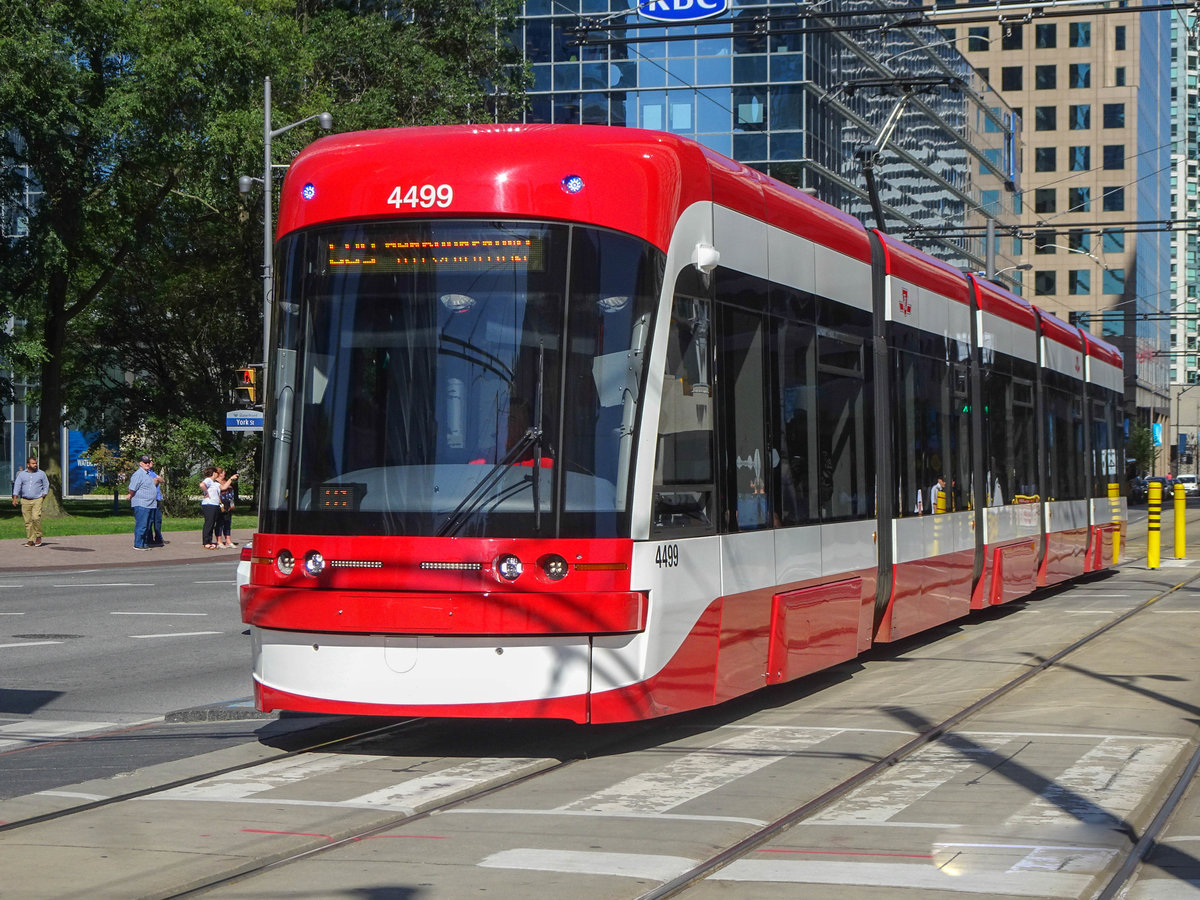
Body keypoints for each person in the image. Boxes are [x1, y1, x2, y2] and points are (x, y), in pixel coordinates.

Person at [11, 457, 50, 547]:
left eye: (35, 463)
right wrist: (15, 498)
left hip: (37, 499)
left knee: (36, 517)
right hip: (25, 500)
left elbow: (46, 484)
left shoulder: (41, 474)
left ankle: (38, 536)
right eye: (33, 463)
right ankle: (30, 540)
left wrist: (44, 494)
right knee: (28, 521)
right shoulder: (22, 474)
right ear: (28, 465)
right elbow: (17, 485)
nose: (35, 465)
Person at [127, 455, 161, 550]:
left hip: (150, 504)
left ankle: (144, 543)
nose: (147, 464)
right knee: (142, 525)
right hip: (142, 504)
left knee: (147, 525)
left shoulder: (148, 474)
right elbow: (132, 488)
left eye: (148, 462)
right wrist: (131, 495)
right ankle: (138, 544)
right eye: (145, 462)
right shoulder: (138, 474)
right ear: (141, 463)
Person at [199, 466, 234, 549]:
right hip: (209, 504)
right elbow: (201, 485)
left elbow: (224, 487)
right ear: (214, 473)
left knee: (212, 523)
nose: (217, 475)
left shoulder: (215, 483)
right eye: (217, 473)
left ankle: (209, 541)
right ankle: (206, 542)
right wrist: (206, 492)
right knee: (209, 523)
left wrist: (231, 479)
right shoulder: (208, 480)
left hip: (215, 504)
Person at [213, 467, 238, 548]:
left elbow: (230, 492)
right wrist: (231, 479)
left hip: (228, 503)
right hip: (220, 504)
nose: (224, 474)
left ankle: (228, 540)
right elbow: (223, 488)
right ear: (218, 473)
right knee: (220, 522)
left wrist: (232, 504)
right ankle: (219, 541)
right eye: (222, 472)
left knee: (228, 522)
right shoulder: (216, 482)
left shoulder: (226, 481)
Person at [147, 457, 165, 547]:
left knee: (158, 520)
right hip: (150, 500)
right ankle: (149, 539)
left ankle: (158, 537)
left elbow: (161, 480)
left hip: (157, 499)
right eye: (150, 461)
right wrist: (156, 480)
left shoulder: (152, 472)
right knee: (150, 520)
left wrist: (157, 479)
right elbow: (152, 484)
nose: (152, 463)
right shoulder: (145, 473)